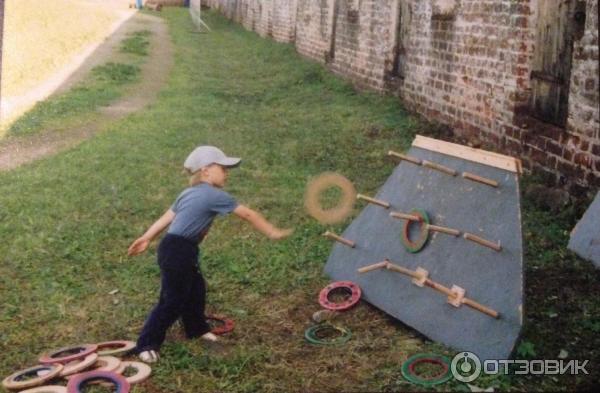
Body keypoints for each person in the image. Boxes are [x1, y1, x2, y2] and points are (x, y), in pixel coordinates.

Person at [127, 146, 292, 363]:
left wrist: (147, 237)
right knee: (172, 300)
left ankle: (196, 329)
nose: (227, 172)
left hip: (175, 247)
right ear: (205, 171)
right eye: (223, 168)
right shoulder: (215, 195)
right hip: (179, 250)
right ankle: (146, 344)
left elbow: (165, 219)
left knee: (196, 289)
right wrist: (272, 231)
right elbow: (248, 214)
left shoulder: (187, 193)